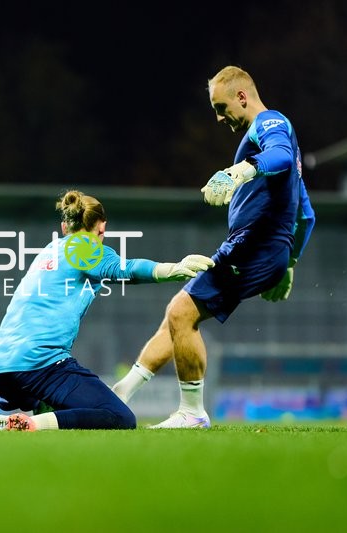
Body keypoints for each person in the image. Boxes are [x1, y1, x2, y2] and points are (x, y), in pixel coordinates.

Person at [111, 65, 316, 428]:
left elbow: (279, 155)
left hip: (255, 246)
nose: (219, 118)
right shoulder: (278, 137)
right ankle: (121, 393)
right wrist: (289, 263)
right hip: (265, 249)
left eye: (221, 108)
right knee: (175, 320)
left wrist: (239, 172)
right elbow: (307, 213)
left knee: (180, 313)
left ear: (241, 97)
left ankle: (192, 413)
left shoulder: (269, 124)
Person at [0, 189, 215, 431]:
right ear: (100, 229)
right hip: (38, 367)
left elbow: (29, 309)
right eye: (101, 234)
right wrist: (171, 270)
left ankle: (32, 410)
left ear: (63, 227)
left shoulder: (49, 252)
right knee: (119, 417)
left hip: (1, 369)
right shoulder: (84, 246)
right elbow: (125, 269)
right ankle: (28, 424)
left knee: (58, 404)